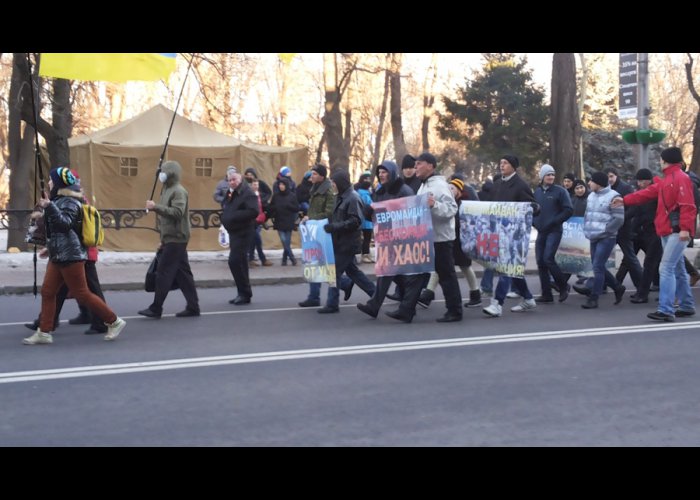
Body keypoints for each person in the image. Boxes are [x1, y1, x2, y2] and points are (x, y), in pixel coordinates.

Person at [23, 167, 126, 345]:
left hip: (71, 256)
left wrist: (50, 207)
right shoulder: (58, 200)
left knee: (82, 294)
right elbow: (58, 232)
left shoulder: (70, 202)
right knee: (48, 292)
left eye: (51, 179)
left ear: (59, 183)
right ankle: (44, 332)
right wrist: (49, 247)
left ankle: (114, 321)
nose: (49, 182)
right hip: (58, 254)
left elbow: (65, 225)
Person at [612, 147, 697, 321]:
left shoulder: (681, 178)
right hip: (667, 230)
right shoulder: (667, 180)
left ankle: (666, 310)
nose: (659, 161)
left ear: (666, 160)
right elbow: (647, 193)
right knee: (679, 268)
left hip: (676, 231)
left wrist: (685, 229)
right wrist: (625, 200)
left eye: (661, 159)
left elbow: (688, 205)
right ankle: (687, 305)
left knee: (665, 268)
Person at [397, 152, 463, 323]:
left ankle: (455, 311)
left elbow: (451, 210)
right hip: (426, 237)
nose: (415, 167)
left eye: (419, 164)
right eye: (415, 164)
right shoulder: (424, 186)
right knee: (418, 274)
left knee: (446, 275)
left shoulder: (440, 186)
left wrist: (435, 205)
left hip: (440, 239)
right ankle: (406, 310)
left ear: (431, 166)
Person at [139, 161, 201, 319]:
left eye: (164, 171)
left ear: (171, 173)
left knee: (163, 273)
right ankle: (193, 307)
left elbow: (177, 213)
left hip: (177, 237)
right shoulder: (166, 189)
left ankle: (156, 308)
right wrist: (163, 239)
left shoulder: (178, 191)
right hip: (172, 238)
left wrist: (155, 207)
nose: (161, 174)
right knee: (183, 274)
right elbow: (165, 219)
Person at [356, 160, 417, 319]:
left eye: (385, 172)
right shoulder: (380, 190)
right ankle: (408, 303)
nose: (381, 175)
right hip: (386, 237)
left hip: (403, 238)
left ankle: (375, 306)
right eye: (380, 172)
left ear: (392, 172)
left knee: (387, 271)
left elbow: (412, 213)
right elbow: (377, 212)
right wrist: (368, 211)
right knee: (395, 274)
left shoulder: (404, 190)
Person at [483, 155, 538, 317]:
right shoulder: (498, 183)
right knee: (513, 270)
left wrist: (532, 208)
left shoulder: (521, 185)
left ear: (513, 166)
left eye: (505, 163)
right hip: (498, 232)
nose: (502, 165)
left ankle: (497, 303)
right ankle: (528, 298)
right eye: (500, 163)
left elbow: (533, 206)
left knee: (506, 268)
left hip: (515, 234)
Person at [317, 170, 376, 314]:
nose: (332, 185)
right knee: (353, 272)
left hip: (348, 243)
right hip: (340, 241)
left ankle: (332, 304)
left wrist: (334, 227)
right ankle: (376, 294)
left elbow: (356, 221)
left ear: (340, 183)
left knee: (333, 272)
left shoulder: (353, 198)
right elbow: (336, 217)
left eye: (334, 183)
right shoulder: (341, 197)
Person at [576, 171, 626, 309]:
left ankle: (594, 297)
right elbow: (587, 215)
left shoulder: (614, 196)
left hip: (606, 237)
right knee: (598, 266)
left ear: (597, 183)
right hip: (593, 236)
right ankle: (617, 287)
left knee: (597, 266)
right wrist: (587, 229)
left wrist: (606, 231)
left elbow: (619, 218)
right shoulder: (591, 196)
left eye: (591, 181)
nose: (589, 183)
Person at [533, 164, 573, 303]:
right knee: (540, 262)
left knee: (548, 258)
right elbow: (533, 209)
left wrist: (554, 221)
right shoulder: (537, 192)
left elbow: (568, 210)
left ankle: (563, 286)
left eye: (553, 175)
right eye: (548, 174)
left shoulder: (560, 191)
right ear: (542, 176)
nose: (551, 177)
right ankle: (546, 294)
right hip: (541, 231)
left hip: (554, 231)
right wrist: (534, 222)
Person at [220, 166, 259, 305]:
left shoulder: (247, 192)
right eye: (229, 180)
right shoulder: (232, 192)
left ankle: (244, 292)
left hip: (244, 232)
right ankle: (243, 293)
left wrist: (234, 216)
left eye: (234, 179)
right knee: (241, 263)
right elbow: (225, 205)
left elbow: (254, 211)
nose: (232, 182)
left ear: (240, 178)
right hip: (234, 232)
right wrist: (225, 217)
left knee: (235, 261)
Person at [605, 167, 643, 293]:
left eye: (611, 176)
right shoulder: (605, 189)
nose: (609, 179)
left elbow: (634, 208)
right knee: (602, 257)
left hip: (623, 229)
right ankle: (601, 285)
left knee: (630, 257)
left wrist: (621, 219)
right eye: (607, 177)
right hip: (610, 229)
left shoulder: (626, 188)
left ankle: (642, 287)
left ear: (616, 176)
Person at [268, 176, 300, 266]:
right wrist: (274, 209)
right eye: (279, 184)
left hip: (289, 221)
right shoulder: (276, 196)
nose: (281, 186)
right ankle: (292, 258)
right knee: (283, 240)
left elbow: (297, 208)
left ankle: (284, 259)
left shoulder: (292, 195)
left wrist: (289, 206)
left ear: (286, 185)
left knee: (287, 242)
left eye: (282, 184)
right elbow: (271, 207)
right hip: (279, 221)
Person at [247, 179, 273, 267]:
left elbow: (264, 205)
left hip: (259, 221)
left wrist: (266, 214)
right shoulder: (249, 195)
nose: (256, 186)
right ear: (251, 185)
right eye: (254, 185)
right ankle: (262, 259)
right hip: (251, 221)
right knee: (257, 240)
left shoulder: (260, 195)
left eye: (257, 185)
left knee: (254, 241)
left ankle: (251, 259)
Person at [355, 171, 374, 263]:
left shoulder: (363, 192)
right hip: (366, 218)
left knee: (366, 237)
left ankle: (365, 253)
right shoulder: (364, 193)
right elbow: (368, 204)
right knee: (367, 237)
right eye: (367, 179)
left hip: (365, 218)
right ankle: (365, 254)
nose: (369, 181)